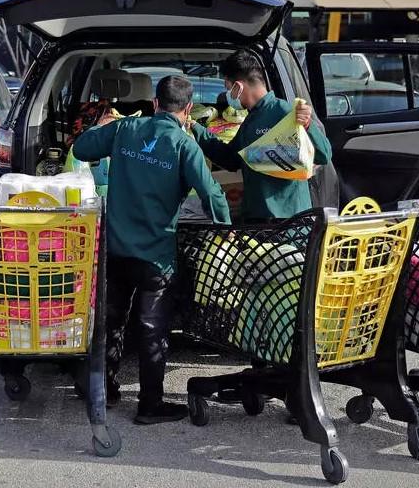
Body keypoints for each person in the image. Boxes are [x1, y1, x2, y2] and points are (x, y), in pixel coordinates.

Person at [73, 75, 231, 425]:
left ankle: (104, 390)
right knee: (151, 330)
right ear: (188, 109)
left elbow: (81, 149)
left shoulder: (125, 129)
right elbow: (212, 195)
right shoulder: (184, 144)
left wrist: (103, 126)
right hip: (155, 258)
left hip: (116, 252)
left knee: (111, 321)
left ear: (155, 104)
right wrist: (226, 236)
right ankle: (149, 404)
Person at [190, 49, 333, 222]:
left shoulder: (285, 112)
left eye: (228, 89)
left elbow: (323, 155)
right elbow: (230, 158)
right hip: (257, 219)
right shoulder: (251, 119)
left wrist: (308, 125)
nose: (228, 96)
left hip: (286, 222)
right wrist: (195, 128)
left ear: (238, 86)